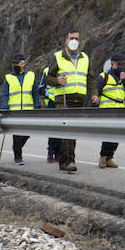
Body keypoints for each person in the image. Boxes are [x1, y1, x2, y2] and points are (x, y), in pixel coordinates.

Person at [44, 31, 87, 173]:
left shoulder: (85, 58)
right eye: (71, 38)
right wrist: (57, 81)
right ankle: (70, 161)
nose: (74, 41)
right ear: (66, 40)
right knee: (68, 129)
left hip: (79, 99)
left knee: (71, 132)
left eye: (76, 38)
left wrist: (93, 94)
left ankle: (63, 161)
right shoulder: (57, 57)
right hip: (63, 99)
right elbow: (48, 78)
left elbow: (91, 78)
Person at [0, 54, 43, 164]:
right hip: (14, 111)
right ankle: (18, 157)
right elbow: (5, 94)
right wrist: (5, 106)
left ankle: (16, 148)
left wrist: (37, 106)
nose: (15, 65)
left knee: (27, 133)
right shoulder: (8, 77)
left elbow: (35, 93)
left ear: (23, 63)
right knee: (17, 134)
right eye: (13, 63)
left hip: (28, 110)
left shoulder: (31, 76)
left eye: (17, 63)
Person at [92, 53, 125, 167]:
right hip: (107, 111)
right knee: (108, 134)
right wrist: (94, 107)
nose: (121, 66)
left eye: (122, 64)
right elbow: (96, 93)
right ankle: (103, 157)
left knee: (117, 135)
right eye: (119, 64)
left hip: (120, 110)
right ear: (112, 64)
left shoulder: (124, 76)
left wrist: (124, 80)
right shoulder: (103, 76)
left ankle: (110, 157)